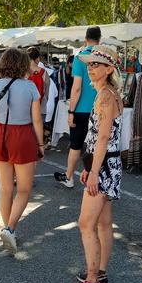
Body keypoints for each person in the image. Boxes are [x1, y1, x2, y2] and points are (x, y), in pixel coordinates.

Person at [67, 46, 123, 283]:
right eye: (89, 64)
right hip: (105, 164)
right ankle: (99, 273)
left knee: (86, 224)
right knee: (102, 223)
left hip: (103, 167)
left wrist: (93, 172)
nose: (90, 68)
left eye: (96, 64)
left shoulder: (105, 96)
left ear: (109, 69)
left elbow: (102, 138)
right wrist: (90, 167)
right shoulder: (108, 94)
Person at [0, 48, 43, 255]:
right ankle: (9, 229)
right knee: (24, 189)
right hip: (22, 135)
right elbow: (36, 120)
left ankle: (8, 230)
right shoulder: (30, 86)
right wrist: (40, 144)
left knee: (5, 189)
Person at [54, 26, 101, 188]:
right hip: (100, 107)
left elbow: (76, 88)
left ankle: (69, 177)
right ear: (99, 39)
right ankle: (97, 178)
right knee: (98, 145)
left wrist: (71, 111)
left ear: (85, 39)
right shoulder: (104, 57)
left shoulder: (80, 58)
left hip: (81, 109)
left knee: (76, 145)